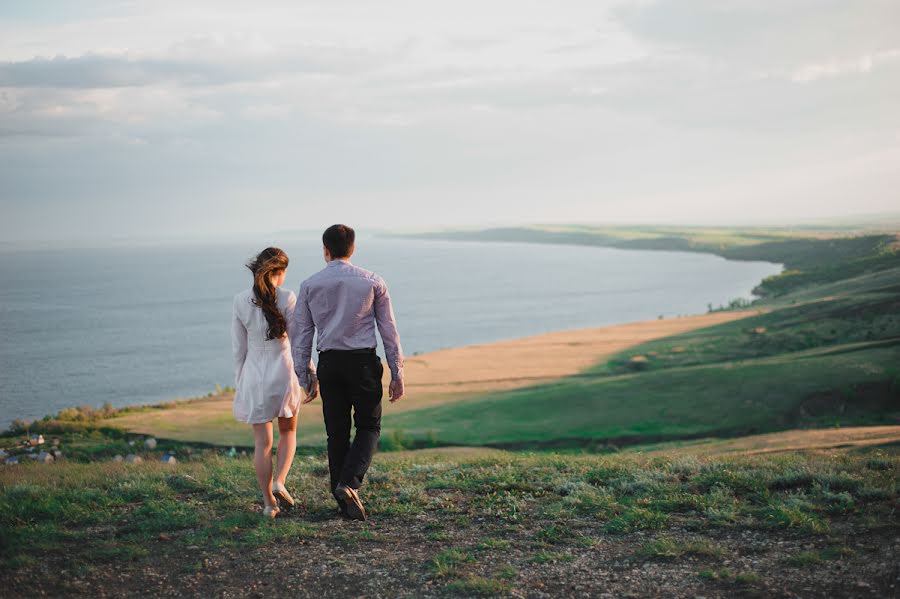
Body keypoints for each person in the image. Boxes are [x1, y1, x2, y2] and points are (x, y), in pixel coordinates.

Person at [292, 224, 405, 521]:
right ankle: (348, 484)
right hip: (363, 363)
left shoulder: (308, 285)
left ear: (325, 250)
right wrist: (397, 372)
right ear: (352, 249)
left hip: (329, 364)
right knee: (369, 426)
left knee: (337, 433)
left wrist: (305, 375)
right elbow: (389, 330)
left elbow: (302, 335)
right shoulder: (373, 281)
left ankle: (343, 504)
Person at [232, 247, 318, 518]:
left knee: (262, 443)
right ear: (279, 272)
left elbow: (238, 350)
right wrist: (309, 374)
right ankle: (280, 479)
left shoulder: (239, 301)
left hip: (254, 376)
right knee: (288, 432)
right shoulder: (288, 298)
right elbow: (299, 342)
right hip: (284, 373)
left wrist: (240, 383)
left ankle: (269, 503)